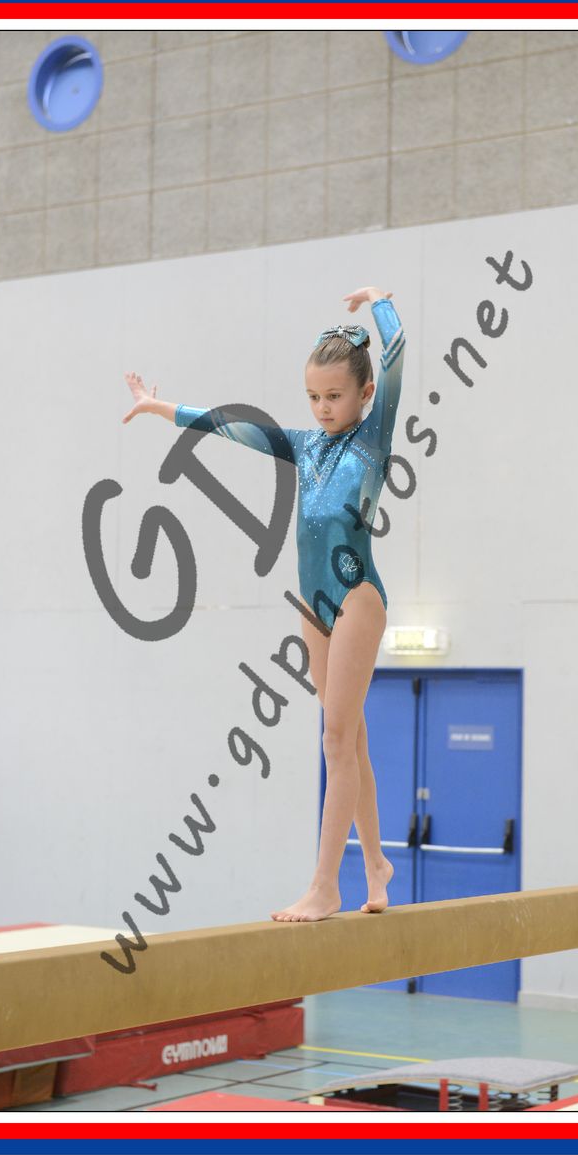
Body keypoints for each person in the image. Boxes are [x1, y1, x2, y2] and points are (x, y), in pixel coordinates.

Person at [122, 286, 405, 922]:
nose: (323, 407)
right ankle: (376, 864)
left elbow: (397, 353)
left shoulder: (372, 439)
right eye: (314, 396)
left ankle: (326, 884)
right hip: (313, 604)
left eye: (335, 396)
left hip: (357, 596)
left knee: (335, 737)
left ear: (364, 394)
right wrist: (160, 407)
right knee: (349, 736)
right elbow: (233, 427)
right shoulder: (304, 445)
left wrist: (381, 303)